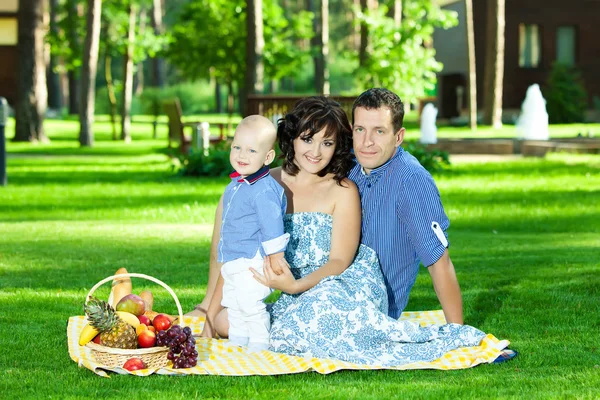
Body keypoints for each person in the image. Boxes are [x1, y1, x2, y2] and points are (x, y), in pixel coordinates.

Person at [200, 97, 485, 365]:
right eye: (307, 140)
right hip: (294, 295)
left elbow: (339, 261)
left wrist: (296, 285)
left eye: (327, 143)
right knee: (230, 321)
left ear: (337, 146)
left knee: (320, 311)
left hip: (341, 285)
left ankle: (316, 329)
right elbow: (235, 252)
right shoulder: (265, 186)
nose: (315, 152)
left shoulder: (343, 189)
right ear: (292, 139)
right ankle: (296, 328)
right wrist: (208, 319)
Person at [348, 88, 463, 323]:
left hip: (372, 315)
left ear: (398, 137)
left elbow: (439, 261)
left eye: (379, 131)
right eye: (360, 129)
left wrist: (457, 332)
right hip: (335, 292)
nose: (367, 141)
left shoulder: (411, 181)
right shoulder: (350, 166)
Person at [204, 115, 289, 352]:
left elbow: (272, 223)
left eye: (251, 150)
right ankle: (239, 340)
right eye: (237, 147)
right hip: (234, 257)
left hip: (252, 258)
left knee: (249, 302)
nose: (242, 155)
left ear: (268, 157)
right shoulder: (237, 184)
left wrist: (274, 256)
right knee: (234, 302)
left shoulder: (263, 189)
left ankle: (260, 341)